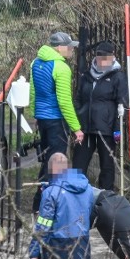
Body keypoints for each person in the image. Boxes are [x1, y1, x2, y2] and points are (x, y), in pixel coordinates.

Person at [30, 31, 84, 212]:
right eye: (69, 47)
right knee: (56, 163)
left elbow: (33, 93)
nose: (71, 50)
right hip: (56, 121)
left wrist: (35, 115)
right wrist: (76, 128)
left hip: (43, 120)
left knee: (47, 160)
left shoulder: (35, 63)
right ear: (60, 48)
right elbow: (64, 101)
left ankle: (41, 201)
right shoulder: (61, 68)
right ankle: (44, 202)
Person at [72, 41, 128, 191]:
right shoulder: (86, 75)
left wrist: (117, 131)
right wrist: (77, 121)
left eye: (106, 58)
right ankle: (76, 194)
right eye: (99, 57)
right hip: (85, 128)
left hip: (106, 129)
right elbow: (78, 99)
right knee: (78, 164)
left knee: (107, 165)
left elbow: (122, 105)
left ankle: (106, 198)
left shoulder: (118, 77)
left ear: (113, 58)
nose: (102, 61)